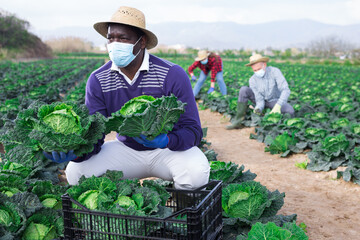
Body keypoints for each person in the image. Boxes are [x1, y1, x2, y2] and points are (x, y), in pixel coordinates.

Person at [43, 6, 210, 190]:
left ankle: (181, 210)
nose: (115, 44)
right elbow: (94, 136)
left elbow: (193, 130)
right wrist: (75, 153)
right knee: (76, 172)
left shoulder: (171, 74)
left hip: (167, 151)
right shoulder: (98, 79)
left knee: (196, 172)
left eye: (123, 38)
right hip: (126, 151)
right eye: (111, 38)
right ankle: (122, 199)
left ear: (142, 42)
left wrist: (166, 140)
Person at [226, 53, 294, 130]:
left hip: (274, 100)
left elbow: (286, 89)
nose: (257, 72)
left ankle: (282, 127)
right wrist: (258, 108)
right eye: (255, 70)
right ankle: (237, 122)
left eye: (258, 69)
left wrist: (278, 105)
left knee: (290, 111)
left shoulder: (275, 72)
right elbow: (259, 99)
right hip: (261, 101)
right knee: (244, 89)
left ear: (264, 65)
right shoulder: (253, 80)